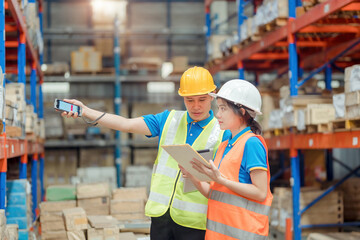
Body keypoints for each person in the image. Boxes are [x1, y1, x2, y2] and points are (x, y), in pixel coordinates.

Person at [60, 66, 231, 240]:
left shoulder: (223, 132)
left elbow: (226, 182)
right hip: (161, 218)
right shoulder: (168, 120)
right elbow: (125, 124)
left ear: (213, 95)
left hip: (195, 223)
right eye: (189, 100)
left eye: (202, 99)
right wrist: (85, 111)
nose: (196, 106)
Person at [179, 79, 273, 240]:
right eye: (218, 108)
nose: (218, 114)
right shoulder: (224, 145)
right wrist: (193, 176)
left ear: (242, 111)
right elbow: (215, 194)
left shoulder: (252, 144)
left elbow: (260, 193)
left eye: (223, 109)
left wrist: (222, 180)